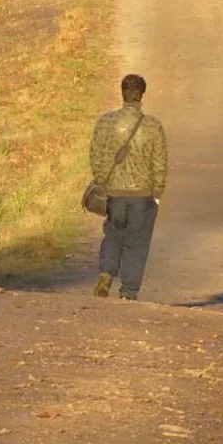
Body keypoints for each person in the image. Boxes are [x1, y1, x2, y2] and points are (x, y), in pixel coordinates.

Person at [90, 73, 168, 301]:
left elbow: (96, 154)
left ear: (122, 93)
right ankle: (129, 291)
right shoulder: (153, 126)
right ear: (142, 95)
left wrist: (101, 181)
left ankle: (106, 273)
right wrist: (158, 191)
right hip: (142, 195)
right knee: (137, 243)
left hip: (113, 193)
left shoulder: (106, 122)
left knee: (112, 235)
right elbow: (160, 162)